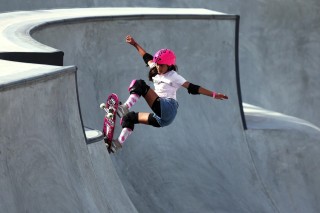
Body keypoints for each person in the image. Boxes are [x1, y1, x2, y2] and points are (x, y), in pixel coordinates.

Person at [110, 35, 228, 151]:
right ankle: (117, 144)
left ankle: (124, 107)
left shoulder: (174, 76)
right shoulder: (155, 68)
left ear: (169, 65)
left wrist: (214, 94)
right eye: (157, 64)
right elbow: (146, 56)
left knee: (139, 84)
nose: (158, 67)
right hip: (162, 118)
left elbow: (193, 87)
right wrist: (135, 44)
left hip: (168, 107)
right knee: (129, 118)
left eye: (161, 66)